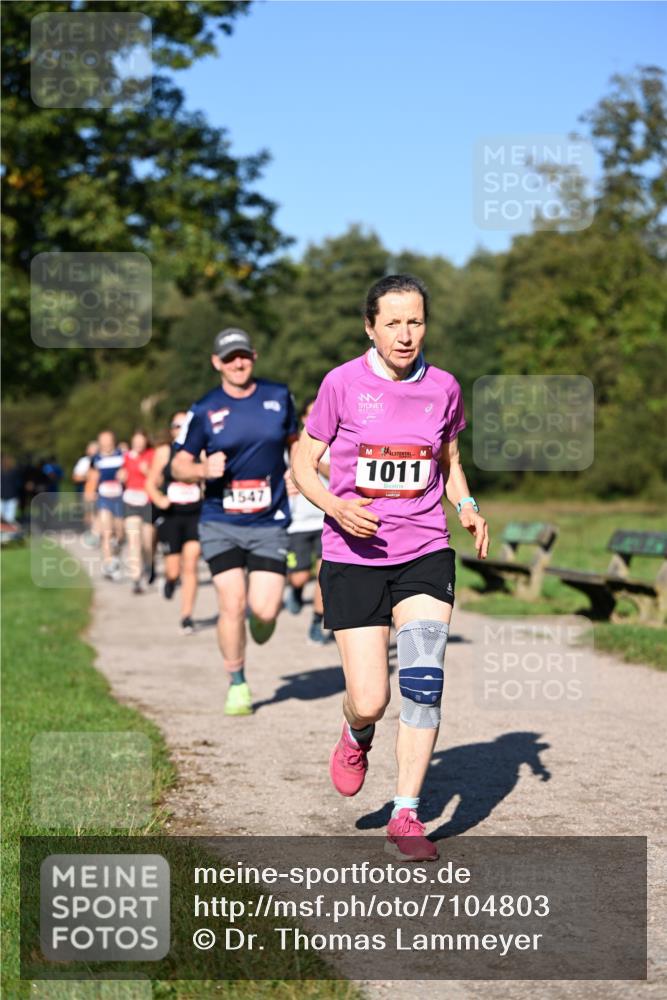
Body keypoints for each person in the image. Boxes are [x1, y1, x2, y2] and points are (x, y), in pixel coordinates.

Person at [291, 274, 489, 861]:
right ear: (370, 327)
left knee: (424, 680)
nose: (406, 335)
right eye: (394, 323)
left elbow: (448, 461)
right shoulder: (342, 383)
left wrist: (467, 506)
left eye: (416, 322)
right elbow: (304, 462)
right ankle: (356, 733)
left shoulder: (444, 387)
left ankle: (406, 812)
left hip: (425, 548)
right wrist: (335, 507)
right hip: (354, 556)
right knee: (371, 697)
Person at [171, 327, 298, 716]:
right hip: (220, 521)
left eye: (242, 355)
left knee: (264, 609)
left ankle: (263, 620)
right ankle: (238, 683)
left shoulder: (279, 397)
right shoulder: (204, 409)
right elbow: (178, 464)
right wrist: (201, 469)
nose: (237, 363)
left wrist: (298, 471)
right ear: (217, 363)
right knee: (232, 602)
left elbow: (297, 443)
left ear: (253, 356)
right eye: (229, 358)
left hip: (269, 521)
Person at [146, 413, 202, 633]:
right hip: (171, 515)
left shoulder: (201, 450)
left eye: (186, 424)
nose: (181, 429)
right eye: (177, 425)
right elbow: (150, 483)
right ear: (171, 430)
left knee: (191, 564)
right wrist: (159, 499)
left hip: (195, 513)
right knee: (173, 569)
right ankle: (169, 581)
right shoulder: (164, 451)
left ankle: (187, 616)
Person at [285, 399, 331, 644]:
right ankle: (295, 588)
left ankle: (317, 621)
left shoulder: (336, 444)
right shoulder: (290, 446)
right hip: (298, 523)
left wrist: (315, 461)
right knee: (300, 576)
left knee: (325, 574)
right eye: (311, 414)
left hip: (327, 520)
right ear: (303, 419)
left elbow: (336, 475)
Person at [87, 430, 125, 580]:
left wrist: (124, 476)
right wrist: (91, 491)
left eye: (108, 440)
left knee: (119, 534)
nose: (106, 443)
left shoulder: (122, 455)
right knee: (107, 533)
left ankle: (115, 558)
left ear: (113, 440)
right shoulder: (95, 459)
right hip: (104, 498)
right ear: (99, 442)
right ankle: (109, 565)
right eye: (103, 440)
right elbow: (92, 477)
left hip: (120, 498)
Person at [120, 430, 155, 595]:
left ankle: (149, 565)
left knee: (147, 542)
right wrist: (121, 476)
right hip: (130, 501)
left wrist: (147, 471)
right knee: (133, 540)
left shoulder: (152, 455)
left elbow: (158, 479)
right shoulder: (126, 457)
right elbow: (120, 474)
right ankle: (136, 579)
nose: (138, 445)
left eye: (141, 442)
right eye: (136, 442)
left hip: (147, 501)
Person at [1, 454, 21, 524]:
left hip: (12, 497)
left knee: (9, 519)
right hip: (1, 497)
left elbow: (18, 485)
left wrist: (18, 497)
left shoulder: (15, 472)